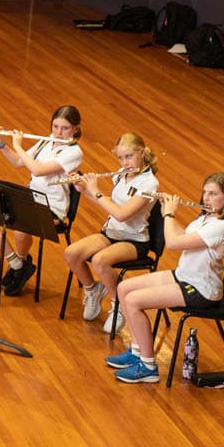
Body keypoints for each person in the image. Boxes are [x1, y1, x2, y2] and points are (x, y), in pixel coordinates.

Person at [109, 172, 224, 386]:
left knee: (134, 301)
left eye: (213, 194)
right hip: (184, 277)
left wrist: (169, 216)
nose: (206, 198)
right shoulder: (206, 218)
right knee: (124, 288)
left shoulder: (221, 227)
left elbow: (172, 244)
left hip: (201, 290)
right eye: (205, 193)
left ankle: (148, 366)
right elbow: (182, 237)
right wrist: (165, 213)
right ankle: (137, 351)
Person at [0, 106, 83, 295]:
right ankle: (16, 262)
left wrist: (18, 145)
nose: (58, 132)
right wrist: (2, 144)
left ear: (75, 129)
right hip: (30, 198)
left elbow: (38, 170)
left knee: (20, 227)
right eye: (55, 126)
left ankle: (22, 261)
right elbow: (19, 162)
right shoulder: (46, 141)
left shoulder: (74, 152)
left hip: (52, 207)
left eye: (64, 128)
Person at [65, 132, 160, 324]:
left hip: (134, 240)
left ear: (141, 153)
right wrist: (83, 190)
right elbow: (109, 203)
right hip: (111, 233)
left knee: (100, 261)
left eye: (129, 156)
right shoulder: (120, 174)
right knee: (71, 253)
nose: (125, 162)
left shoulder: (150, 184)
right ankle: (93, 290)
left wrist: (96, 191)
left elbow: (121, 214)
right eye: (121, 157)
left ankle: (118, 305)